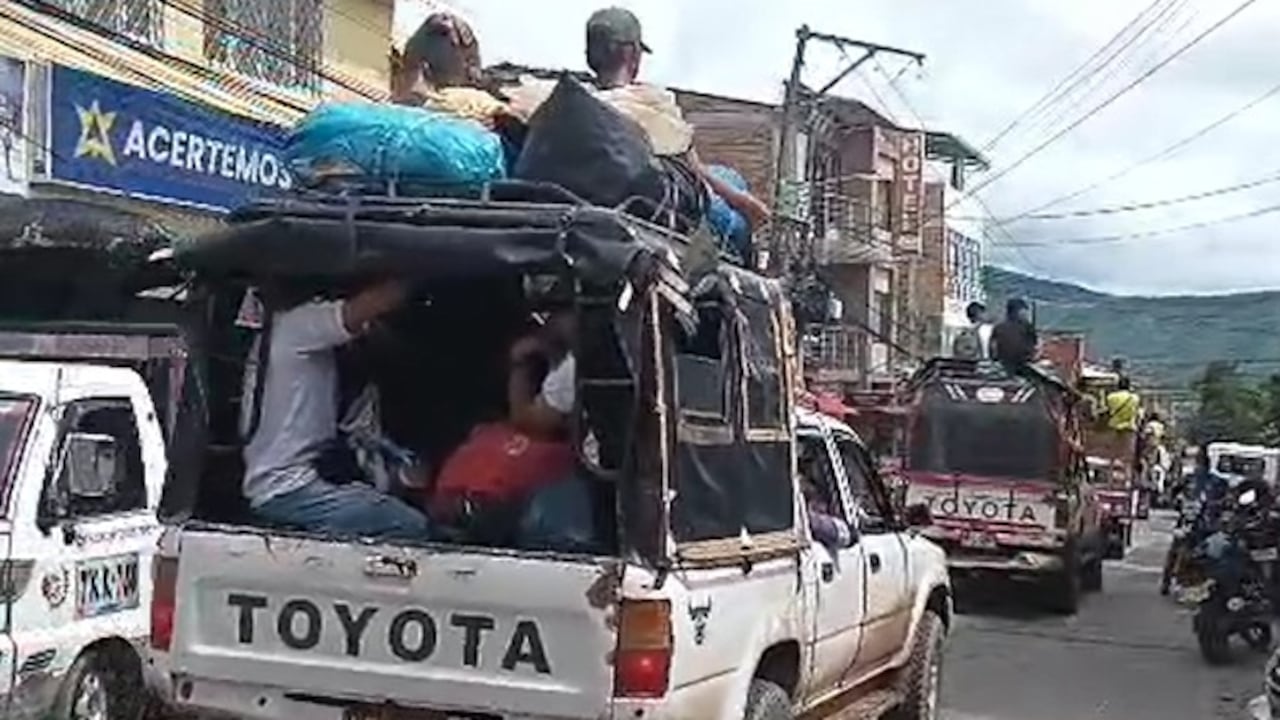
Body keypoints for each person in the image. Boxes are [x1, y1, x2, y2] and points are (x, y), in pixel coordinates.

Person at [243, 278, 432, 540]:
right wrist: (420, 270)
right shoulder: (297, 325)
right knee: (409, 525)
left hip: (288, 484)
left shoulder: (278, 336)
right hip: (291, 488)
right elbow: (369, 306)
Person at [583, 7, 771, 230]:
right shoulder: (649, 105)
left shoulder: (573, 102)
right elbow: (695, 171)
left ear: (590, 56)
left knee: (728, 175)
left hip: (594, 189)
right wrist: (744, 203)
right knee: (736, 219)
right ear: (631, 53)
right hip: (651, 201)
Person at [990, 297, 1037, 367]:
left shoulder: (999, 327)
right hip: (1022, 361)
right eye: (1023, 311)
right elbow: (1034, 342)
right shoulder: (1025, 326)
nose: (1025, 314)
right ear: (1017, 312)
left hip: (1002, 360)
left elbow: (992, 348)